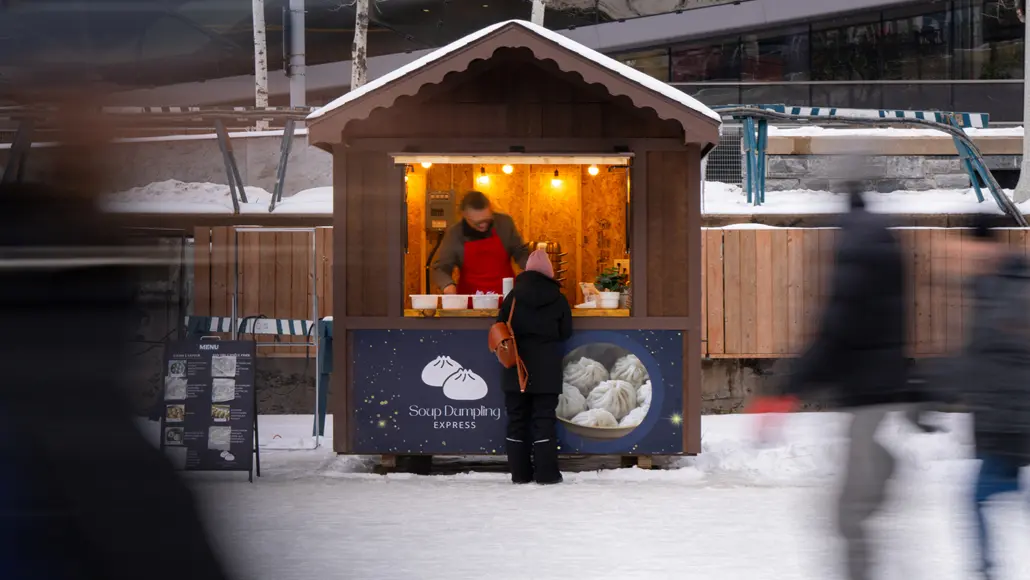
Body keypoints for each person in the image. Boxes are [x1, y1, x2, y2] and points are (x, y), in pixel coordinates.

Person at [751, 188, 925, 580]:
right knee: (857, 506)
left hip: (865, 399)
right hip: (878, 393)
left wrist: (786, 388)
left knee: (849, 516)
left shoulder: (857, 258)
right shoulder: (888, 251)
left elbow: (835, 338)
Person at [947, 215, 1030, 580]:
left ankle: (984, 572)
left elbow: (997, 359)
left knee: (978, 498)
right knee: (982, 497)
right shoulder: (995, 289)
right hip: (1005, 424)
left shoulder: (1007, 293)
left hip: (1012, 425)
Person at [497, 250, 572, 485]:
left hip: (515, 366)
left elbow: (499, 326)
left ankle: (519, 474)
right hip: (546, 368)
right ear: (550, 271)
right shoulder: (558, 298)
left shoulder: (513, 297)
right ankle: (547, 474)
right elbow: (565, 333)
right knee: (544, 419)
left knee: (517, 418)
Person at [432, 191, 529, 297]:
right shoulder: (455, 234)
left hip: (506, 300)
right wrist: (447, 285)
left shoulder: (504, 224)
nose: (483, 225)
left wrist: (532, 267)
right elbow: (441, 268)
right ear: (465, 216)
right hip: (471, 304)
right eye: (477, 223)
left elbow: (520, 252)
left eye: (487, 220)